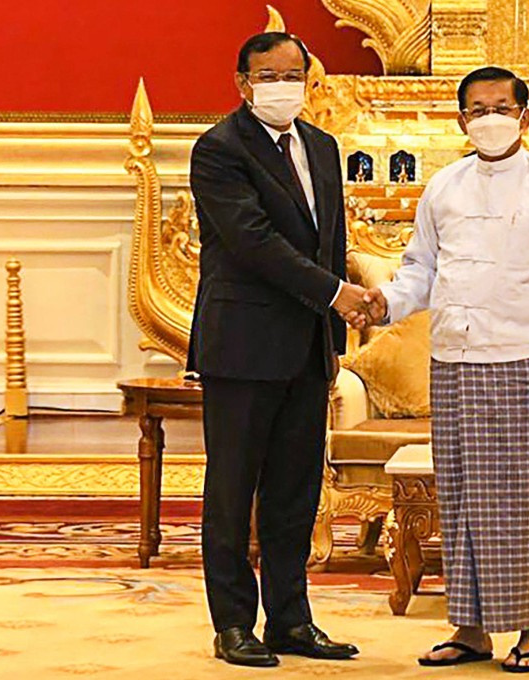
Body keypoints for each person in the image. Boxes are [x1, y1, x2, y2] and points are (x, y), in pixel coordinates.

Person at [353, 66, 529, 673]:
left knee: (527, 501)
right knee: (462, 499)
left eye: (502, 107)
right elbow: (421, 269)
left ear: (525, 117)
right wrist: (387, 302)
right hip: (454, 360)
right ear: (461, 121)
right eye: (478, 109)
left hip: (527, 361)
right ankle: (471, 630)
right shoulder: (443, 187)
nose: (490, 118)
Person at [187, 32, 365, 668]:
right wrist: (337, 294)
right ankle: (233, 623)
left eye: (294, 73)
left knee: (296, 490)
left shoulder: (321, 146)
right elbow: (253, 243)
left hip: (306, 347)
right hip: (242, 344)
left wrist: (335, 330)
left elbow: (329, 241)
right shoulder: (218, 150)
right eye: (269, 75)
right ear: (243, 83)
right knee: (233, 489)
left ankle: (291, 619)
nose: (283, 85)